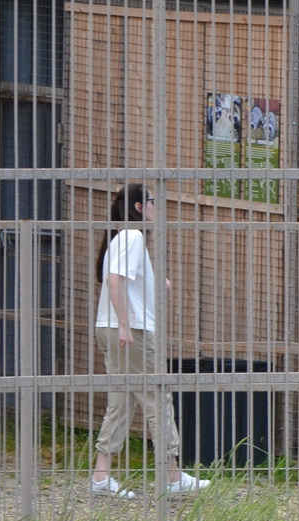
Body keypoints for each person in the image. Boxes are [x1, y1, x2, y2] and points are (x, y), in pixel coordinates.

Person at [89, 185, 210, 499]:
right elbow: (115, 280)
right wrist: (127, 325)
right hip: (132, 331)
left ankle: (101, 475)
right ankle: (171, 475)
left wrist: (156, 282)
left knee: (122, 398)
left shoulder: (121, 237)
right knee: (158, 396)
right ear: (140, 206)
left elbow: (120, 280)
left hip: (109, 327)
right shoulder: (133, 236)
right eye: (154, 201)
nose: (158, 207)